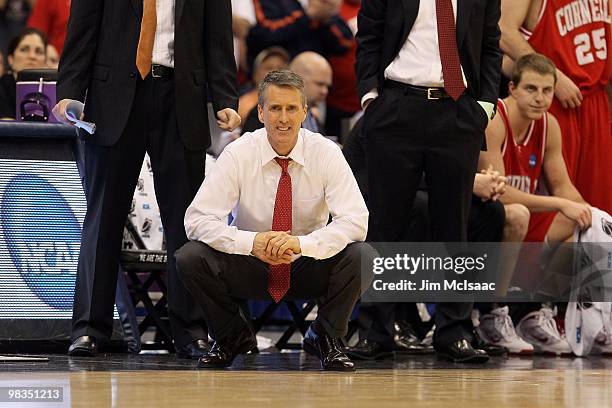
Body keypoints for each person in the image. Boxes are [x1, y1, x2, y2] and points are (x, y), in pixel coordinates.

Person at [52, 0, 241, 359]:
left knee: (186, 222)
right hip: (113, 98)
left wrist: (225, 97)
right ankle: (89, 328)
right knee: (103, 216)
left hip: (181, 97)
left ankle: (190, 330)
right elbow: (82, 28)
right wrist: (70, 91)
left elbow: (218, 38)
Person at [175, 69, 373, 371]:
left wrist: (302, 244)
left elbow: (356, 220)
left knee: (363, 256)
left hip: (307, 263)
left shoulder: (327, 153)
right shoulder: (238, 153)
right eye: (275, 108)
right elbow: (197, 219)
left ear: (305, 111)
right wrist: (251, 242)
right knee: (190, 257)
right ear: (261, 112)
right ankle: (232, 335)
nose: (283, 118)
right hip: (251, 264)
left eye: (291, 108)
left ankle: (327, 336)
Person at [355, 0, 503, 363]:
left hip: (458, 112)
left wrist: (484, 106)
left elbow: (490, 44)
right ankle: (376, 332)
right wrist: (371, 97)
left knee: (455, 228)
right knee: (384, 228)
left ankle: (454, 331)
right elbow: (369, 37)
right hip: (396, 107)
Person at [479, 53, 593, 355]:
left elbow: (564, 187)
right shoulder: (494, 120)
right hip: (486, 214)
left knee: (581, 223)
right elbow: (498, 192)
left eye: (547, 90)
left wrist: (595, 215)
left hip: (524, 217)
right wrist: (559, 202)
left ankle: (532, 311)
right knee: (517, 214)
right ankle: (493, 313)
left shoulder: (549, 125)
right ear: (512, 88)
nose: (540, 98)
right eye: (531, 89)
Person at [499, 0, 611, 214]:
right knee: (557, 207)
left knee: (598, 207)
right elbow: (503, 31)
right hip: (551, 99)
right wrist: (554, 77)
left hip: (596, 101)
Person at [0, 27, 47, 119]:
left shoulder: (56, 89)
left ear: (45, 61)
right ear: (10, 59)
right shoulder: (2, 90)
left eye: (39, 51)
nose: (32, 56)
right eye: (24, 50)